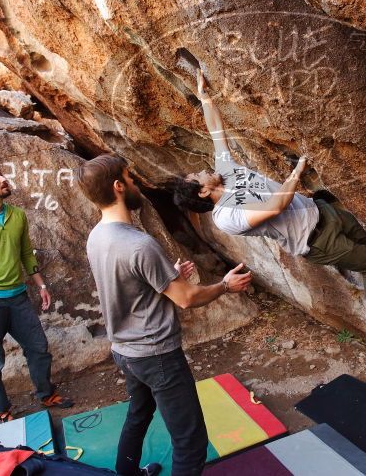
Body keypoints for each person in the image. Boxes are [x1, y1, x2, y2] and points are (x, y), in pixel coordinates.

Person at [172, 70, 366, 322]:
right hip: (317, 241)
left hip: (322, 212)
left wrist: (204, 96)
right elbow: (275, 207)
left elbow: (216, 131)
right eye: (197, 176)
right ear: (203, 191)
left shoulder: (224, 171)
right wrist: (297, 171)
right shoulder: (226, 217)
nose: (202, 170)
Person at [76, 154, 252, 476]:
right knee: (190, 441)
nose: (135, 184)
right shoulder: (140, 244)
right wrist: (225, 286)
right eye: (130, 178)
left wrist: (166, 275)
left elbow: (128, 283)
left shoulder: (96, 236)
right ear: (118, 187)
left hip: (125, 352)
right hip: (157, 356)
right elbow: (186, 299)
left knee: (139, 414)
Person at [0, 166, 74, 425]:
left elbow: (26, 254)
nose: (4, 179)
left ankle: (46, 394)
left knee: (39, 348)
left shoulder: (17, 215)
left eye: (2, 174)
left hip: (18, 297)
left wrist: (41, 286)